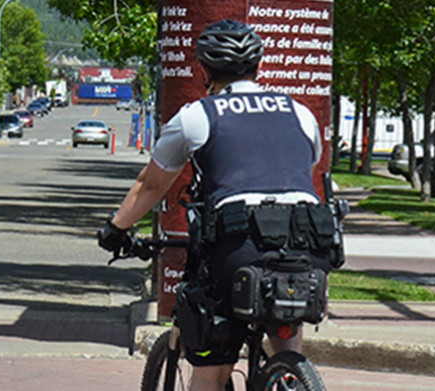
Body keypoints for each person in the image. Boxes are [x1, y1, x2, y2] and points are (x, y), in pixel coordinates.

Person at [97, 20, 331, 391]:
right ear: (259, 66)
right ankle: (289, 373)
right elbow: (309, 165)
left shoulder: (197, 116)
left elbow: (151, 185)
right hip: (309, 242)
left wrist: (116, 229)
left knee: (210, 361)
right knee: (284, 315)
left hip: (239, 246)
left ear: (204, 70)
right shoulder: (300, 113)